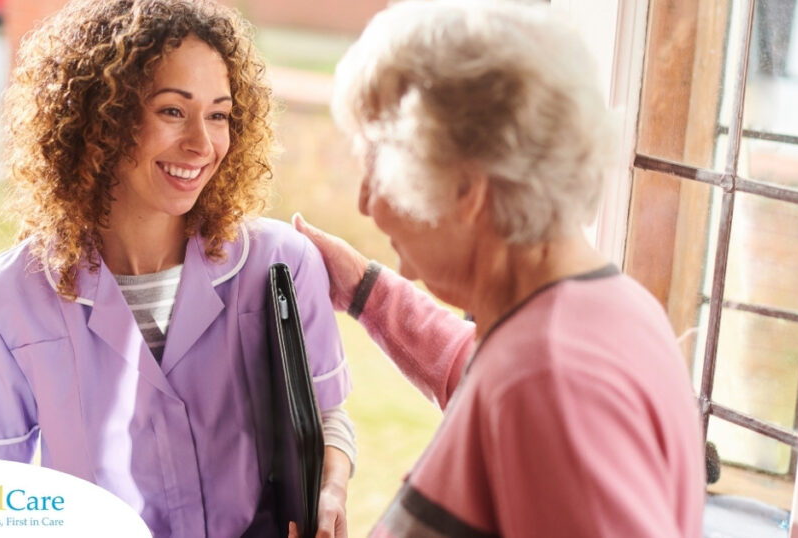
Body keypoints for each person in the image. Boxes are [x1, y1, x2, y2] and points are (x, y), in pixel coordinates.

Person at [291, 0, 705, 536]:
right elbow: (483, 369)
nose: (366, 203)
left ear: (465, 188)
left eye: (377, 162)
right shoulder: (603, 310)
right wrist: (365, 289)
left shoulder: (550, 383)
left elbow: (533, 389)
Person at [0, 1, 354, 536]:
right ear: (103, 117)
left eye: (218, 114)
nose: (202, 144)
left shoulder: (281, 267)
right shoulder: (5, 302)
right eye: (172, 111)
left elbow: (326, 419)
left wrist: (331, 490)